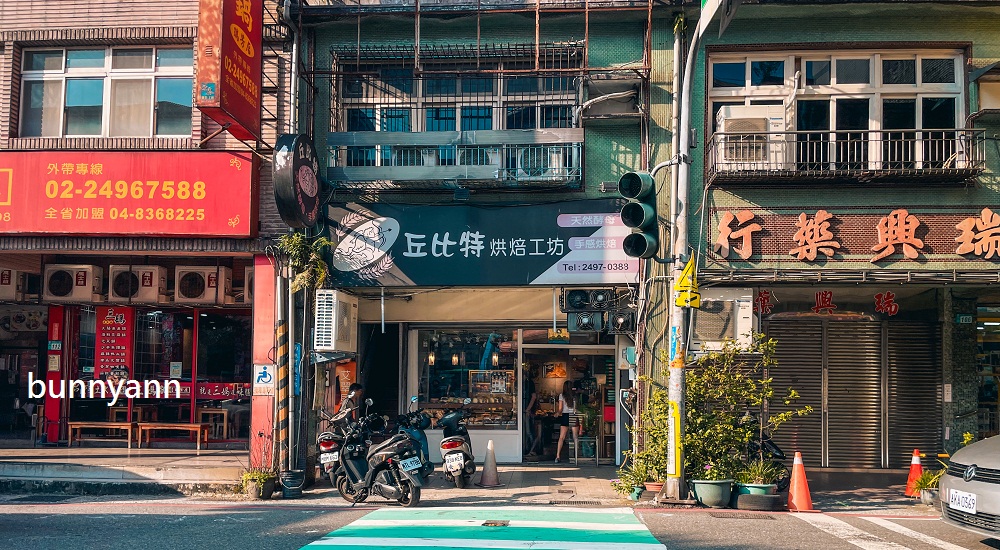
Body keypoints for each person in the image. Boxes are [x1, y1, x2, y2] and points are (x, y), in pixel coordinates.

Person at [554, 380, 577, 464]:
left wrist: (557, 413)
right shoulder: (575, 395)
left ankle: (558, 456)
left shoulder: (561, 396)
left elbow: (560, 409)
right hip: (573, 415)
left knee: (561, 437)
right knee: (575, 437)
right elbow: (576, 407)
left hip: (565, 415)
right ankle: (576, 456)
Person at [523, 366, 541, 457]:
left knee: (529, 431)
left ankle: (533, 450)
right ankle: (528, 450)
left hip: (527, 412)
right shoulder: (524, 383)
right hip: (525, 411)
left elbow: (534, 396)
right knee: (527, 431)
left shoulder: (529, 383)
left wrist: (528, 409)